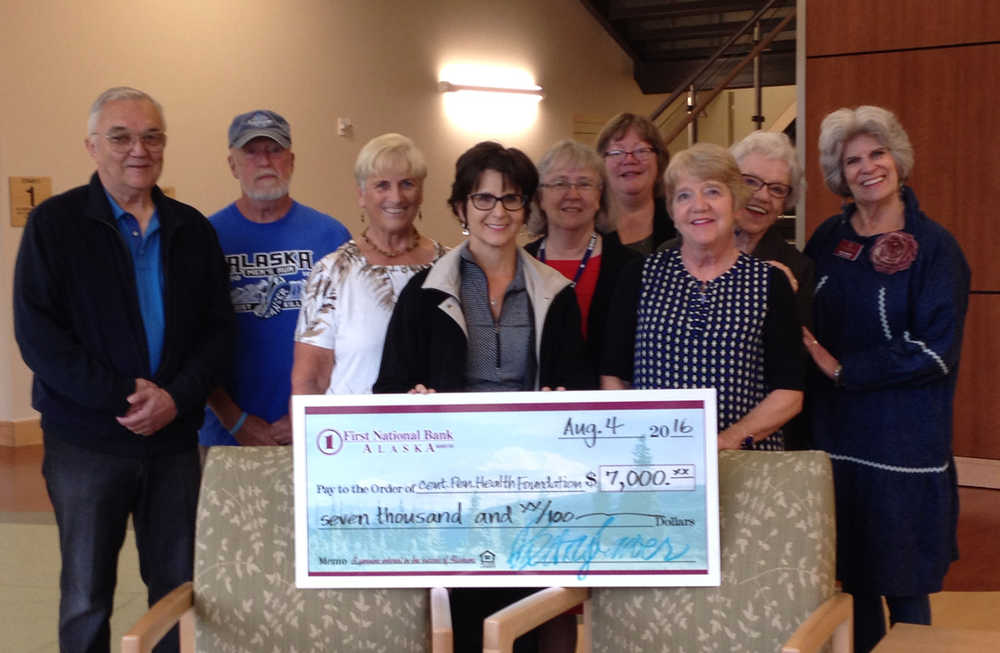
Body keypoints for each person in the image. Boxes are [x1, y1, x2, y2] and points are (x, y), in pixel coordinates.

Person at [12, 87, 233, 653]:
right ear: (92, 146)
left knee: (178, 591)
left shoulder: (192, 229)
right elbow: (39, 336)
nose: (139, 148)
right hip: (85, 443)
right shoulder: (53, 225)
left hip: (173, 441)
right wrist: (122, 397)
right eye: (121, 136)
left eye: (152, 136)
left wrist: (175, 400)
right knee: (86, 594)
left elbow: (216, 333)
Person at [374, 141, 592, 652]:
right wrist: (414, 399)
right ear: (461, 209)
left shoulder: (554, 293)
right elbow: (387, 388)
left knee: (537, 618)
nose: (498, 212)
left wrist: (564, 401)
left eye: (511, 199)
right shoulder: (425, 292)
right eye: (484, 199)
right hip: (453, 490)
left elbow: (578, 390)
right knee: (470, 622)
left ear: (526, 207)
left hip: (535, 487)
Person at [803, 106, 970, 653]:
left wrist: (845, 368)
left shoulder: (938, 249)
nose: (867, 167)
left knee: (903, 584)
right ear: (839, 173)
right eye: (852, 160)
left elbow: (934, 351)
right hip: (833, 438)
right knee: (854, 583)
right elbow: (802, 320)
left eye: (877, 153)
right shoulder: (827, 237)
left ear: (897, 158)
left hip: (902, 445)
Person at [601, 142, 803, 451]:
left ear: (736, 204)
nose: (699, 206)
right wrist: (635, 440)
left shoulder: (771, 283)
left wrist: (723, 442)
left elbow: (789, 394)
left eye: (712, 192)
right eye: (684, 195)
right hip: (655, 463)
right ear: (672, 212)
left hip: (743, 464)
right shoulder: (638, 275)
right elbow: (614, 376)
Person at [198, 110, 350, 449]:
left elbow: (349, 339)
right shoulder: (204, 237)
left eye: (275, 149)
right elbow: (190, 342)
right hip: (223, 434)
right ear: (232, 164)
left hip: (314, 430)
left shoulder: (331, 236)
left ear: (291, 161)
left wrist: (306, 411)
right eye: (251, 151)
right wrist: (234, 419)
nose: (264, 160)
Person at [291, 133, 445, 395]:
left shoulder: (449, 268)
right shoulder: (332, 273)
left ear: (420, 193)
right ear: (361, 195)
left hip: (437, 431)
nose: (396, 197)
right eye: (382, 185)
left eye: (407, 183)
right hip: (353, 432)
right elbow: (310, 381)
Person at [524, 139, 641, 379]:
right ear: (539, 198)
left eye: (585, 184)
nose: (573, 194)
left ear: (601, 196)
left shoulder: (632, 267)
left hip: (608, 408)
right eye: (560, 183)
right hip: (536, 406)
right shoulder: (520, 263)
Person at [730, 130, 814, 330]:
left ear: (785, 203)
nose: (763, 197)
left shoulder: (798, 269)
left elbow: (798, 353)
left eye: (777, 189)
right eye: (750, 181)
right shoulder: (682, 251)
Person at [595, 112, 677, 253]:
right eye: (617, 152)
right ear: (601, 163)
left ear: (659, 160)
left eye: (641, 150)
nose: (629, 160)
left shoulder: (679, 218)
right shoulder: (586, 223)